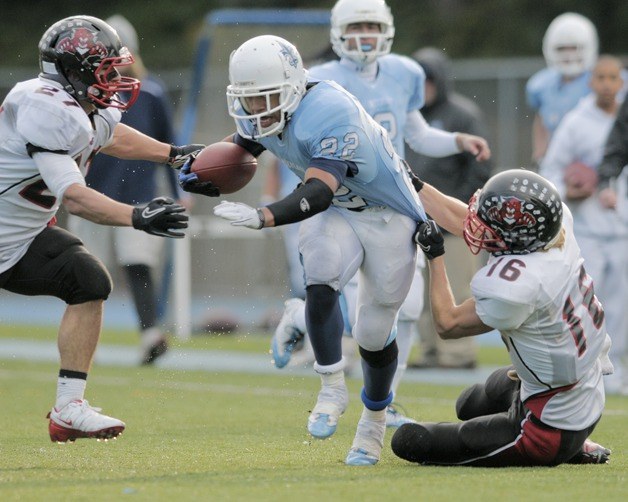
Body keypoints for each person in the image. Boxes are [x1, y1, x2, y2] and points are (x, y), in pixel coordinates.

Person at [179, 33, 489, 466]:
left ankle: (373, 424)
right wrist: (192, 169)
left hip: (386, 214)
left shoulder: (329, 112)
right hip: (340, 212)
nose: (257, 110)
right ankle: (330, 387)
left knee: (375, 331)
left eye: (266, 98)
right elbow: (240, 148)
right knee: (321, 272)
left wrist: (263, 217)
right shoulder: (263, 112)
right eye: (250, 101)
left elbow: (319, 192)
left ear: (290, 87)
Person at [267, 0, 492, 428]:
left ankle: (383, 400)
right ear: (337, 32)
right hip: (340, 203)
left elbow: (417, 134)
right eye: (357, 26)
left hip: (391, 200)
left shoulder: (405, 72)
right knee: (347, 296)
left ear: (386, 29)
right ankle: (304, 319)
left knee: (402, 307)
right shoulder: (319, 79)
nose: (365, 34)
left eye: (372, 24)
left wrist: (458, 139)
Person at [0, 15, 200, 442]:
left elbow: (112, 135)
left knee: (88, 280)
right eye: (106, 67)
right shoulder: (46, 108)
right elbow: (73, 196)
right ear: (73, 71)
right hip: (8, 234)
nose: (117, 75)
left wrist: (175, 154)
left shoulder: (78, 106)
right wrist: (137, 216)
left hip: (19, 237)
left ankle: (68, 408)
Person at [391, 169, 613, 466]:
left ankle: (572, 446)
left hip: (549, 425)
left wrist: (435, 256)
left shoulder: (518, 286)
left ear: (512, 237)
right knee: (470, 403)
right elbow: (468, 223)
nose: (478, 224)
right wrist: (415, 185)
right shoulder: (556, 230)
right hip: (579, 387)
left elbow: (448, 323)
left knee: (410, 441)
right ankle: (565, 433)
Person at [67, 15, 188, 365]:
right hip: (92, 194)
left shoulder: (150, 93)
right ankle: (82, 342)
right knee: (86, 273)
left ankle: (150, 333)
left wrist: (183, 190)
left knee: (138, 265)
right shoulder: (80, 96)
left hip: (139, 194)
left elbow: (169, 145)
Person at [540, 55, 628, 396]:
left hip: (622, 226)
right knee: (589, 301)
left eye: (613, 78)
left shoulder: (625, 116)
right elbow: (550, 171)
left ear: (621, 83)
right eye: (600, 77)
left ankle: (616, 365)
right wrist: (570, 189)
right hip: (588, 227)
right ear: (590, 82)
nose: (607, 84)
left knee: (622, 304)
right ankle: (586, 366)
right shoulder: (576, 122)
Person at [406, 46, 493, 370]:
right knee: (425, 292)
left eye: (430, 80)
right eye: (419, 80)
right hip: (419, 220)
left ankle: (458, 355)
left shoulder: (462, 114)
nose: (424, 87)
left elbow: (481, 168)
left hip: (456, 223)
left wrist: (454, 207)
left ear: (441, 81)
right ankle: (431, 350)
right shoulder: (410, 116)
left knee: (457, 289)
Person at [526, 12, 598, 165]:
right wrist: (539, 153)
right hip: (557, 159)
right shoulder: (541, 84)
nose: (568, 54)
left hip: (594, 157)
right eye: (562, 48)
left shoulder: (600, 79)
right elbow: (541, 119)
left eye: (574, 48)